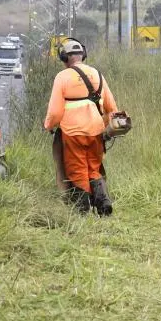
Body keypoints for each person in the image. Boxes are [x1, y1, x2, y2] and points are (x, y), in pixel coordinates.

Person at [43, 38, 119, 215]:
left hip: (73, 132)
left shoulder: (62, 77)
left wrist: (48, 125)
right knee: (93, 167)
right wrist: (104, 127)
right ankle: (103, 203)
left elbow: (54, 112)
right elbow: (111, 108)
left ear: (64, 58)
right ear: (83, 55)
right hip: (96, 131)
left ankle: (82, 210)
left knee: (76, 169)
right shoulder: (98, 74)